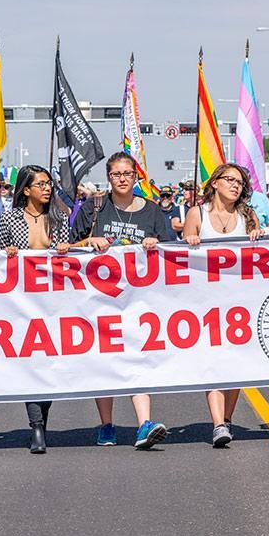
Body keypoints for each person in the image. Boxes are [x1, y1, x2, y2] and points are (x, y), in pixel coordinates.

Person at [72, 153, 173, 448]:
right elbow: (64, 245)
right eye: (117, 174)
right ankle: (106, 425)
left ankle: (144, 424)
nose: (123, 178)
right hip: (99, 298)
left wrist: (156, 245)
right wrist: (88, 242)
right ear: (109, 177)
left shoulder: (152, 211)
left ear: (136, 177)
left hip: (140, 301)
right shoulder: (94, 207)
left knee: (138, 359)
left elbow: (170, 252)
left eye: (128, 173)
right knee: (105, 361)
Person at [0, 165, 82, 454]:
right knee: (30, 364)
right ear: (26, 189)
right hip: (21, 302)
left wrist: (67, 249)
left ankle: (42, 420)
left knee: (48, 365)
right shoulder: (9, 220)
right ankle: (36, 427)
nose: (47, 189)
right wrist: (7, 254)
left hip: (53, 302)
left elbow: (68, 253)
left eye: (49, 184)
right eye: (41, 184)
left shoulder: (58, 218)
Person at [182, 162, 265, 447]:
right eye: (229, 179)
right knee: (214, 363)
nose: (235, 185)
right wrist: (190, 240)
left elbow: (263, 252)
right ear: (215, 183)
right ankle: (218, 423)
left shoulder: (247, 215)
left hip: (240, 302)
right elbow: (180, 259)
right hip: (206, 303)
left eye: (240, 182)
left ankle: (227, 417)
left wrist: (259, 237)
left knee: (235, 366)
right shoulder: (197, 214)